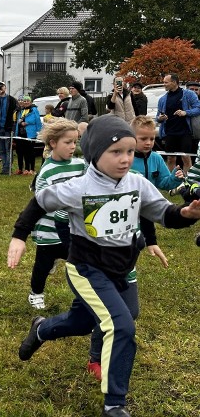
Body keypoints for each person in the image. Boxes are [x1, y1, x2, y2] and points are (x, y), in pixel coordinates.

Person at [7, 114, 200, 417]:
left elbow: (164, 214)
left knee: (82, 323)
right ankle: (115, 404)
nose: (125, 160)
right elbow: (39, 203)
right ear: (95, 153)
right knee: (120, 325)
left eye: (130, 152)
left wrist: (186, 214)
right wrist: (19, 236)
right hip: (86, 267)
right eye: (116, 152)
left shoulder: (137, 183)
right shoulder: (77, 187)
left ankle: (42, 329)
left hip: (120, 270)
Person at [86, 115, 180, 381]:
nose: (148, 143)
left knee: (130, 311)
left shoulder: (155, 161)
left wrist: (176, 180)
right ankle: (96, 357)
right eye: (143, 139)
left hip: (130, 243)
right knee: (104, 310)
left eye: (152, 139)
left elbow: (158, 194)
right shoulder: (110, 165)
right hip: (101, 248)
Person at [23, 118, 85, 310]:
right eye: (68, 142)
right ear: (53, 143)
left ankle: (86, 296)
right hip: (49, 228)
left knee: (79, 262)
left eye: (75, 142)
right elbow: (41, 203)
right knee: (42, 264)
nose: (72, 147)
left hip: (73, 228)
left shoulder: (81, 165)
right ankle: (36, 293)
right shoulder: (46, 173)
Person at [156, 73, 200, 171]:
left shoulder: (189, 94)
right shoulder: (162, 99)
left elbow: (198, 108)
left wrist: (186, 112)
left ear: (174, 82)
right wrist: (161, 118)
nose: (164, 84)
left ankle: (187, 183)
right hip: (169, 133)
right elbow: (157, 118)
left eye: (166, 82)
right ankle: (171, 183)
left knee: (186, 158)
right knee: (171, 159)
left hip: (185, 132)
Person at [13, 96, 42, 175]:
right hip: (20, 133)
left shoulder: (34, 110)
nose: (25, 102)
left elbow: (37, 121)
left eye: (27, 101)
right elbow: (17, 120)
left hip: (30, 134)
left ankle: (30, 169)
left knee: (29, 152)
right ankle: (20, 168)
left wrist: (38, 131)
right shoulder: (20, 110)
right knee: (20, 152)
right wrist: (20, 123)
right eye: (24, 101)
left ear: (30, 102)